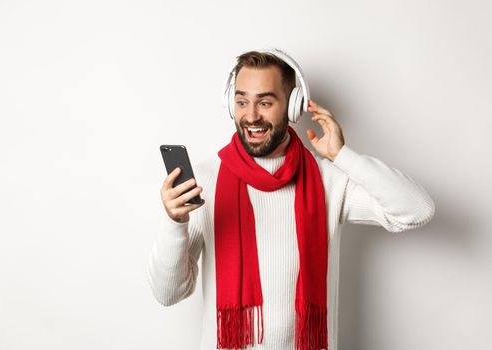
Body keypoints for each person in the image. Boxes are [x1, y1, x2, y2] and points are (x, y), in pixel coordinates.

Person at [147, 49, 435, 350]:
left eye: (265, 102)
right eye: (242, 101)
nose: (251, 116)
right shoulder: (205, 181)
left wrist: (342, 156)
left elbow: (416, 209)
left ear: (294, 106)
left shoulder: (327, 180)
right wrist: (175, 223)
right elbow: (168, 294)